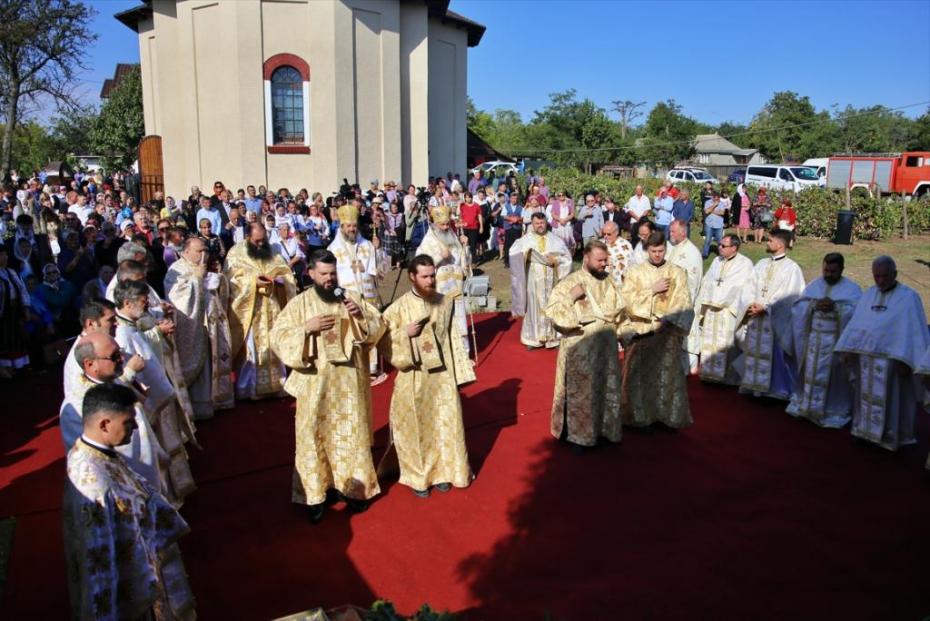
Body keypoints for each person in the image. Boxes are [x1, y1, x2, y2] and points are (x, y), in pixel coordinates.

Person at [62, 383, 195, 621]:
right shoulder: (91, 482)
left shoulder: (96, 451)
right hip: (127, 592)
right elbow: (100, 566)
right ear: (104, 424)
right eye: (128, 421)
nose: (135, 426)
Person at [269, 250, 385, 522]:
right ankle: (316, 495)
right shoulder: (300, 304)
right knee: (313, 436)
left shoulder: (351, 298)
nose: (330, 279)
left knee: (351, 435)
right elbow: (278, 337)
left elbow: (378, 326)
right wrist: (306, 328)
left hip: (349, 386)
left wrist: (360, 318)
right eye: (324, 274)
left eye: (333, 274)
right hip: (315, 386)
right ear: (310, 273)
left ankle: (354, 491)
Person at [380, 254, 474, 497]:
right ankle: (419, 476)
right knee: (416, 426)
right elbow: (383, 341)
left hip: (442, 376)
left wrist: (460, 374)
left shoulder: (445, 302)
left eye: (432, 275)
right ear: (412, 277)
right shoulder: (398, 308)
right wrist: (404, 333)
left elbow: (454, 337)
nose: (430, 280)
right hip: (414, 376)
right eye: (425, 276)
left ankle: (443, 471)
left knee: (444, 424)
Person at [113, 279, 196, 506]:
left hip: (154, 398)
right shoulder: (121, 333)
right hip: (146, 403)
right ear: (128, 303)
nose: (147, 303)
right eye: (142, 300)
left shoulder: (131, 324)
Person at [834, 256, 929, 450]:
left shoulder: (909, 297)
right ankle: (863, 431)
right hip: (866, 360)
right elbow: (857, 324)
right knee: (863, 397)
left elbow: (915, 331)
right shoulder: (869, 294)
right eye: (876, 276)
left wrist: (908, 360)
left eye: (885, 276)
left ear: (895, 274)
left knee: (892, 401)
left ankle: (890, 435)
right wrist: (848, 348)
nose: (880, 281)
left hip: (892, 362)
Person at [544, 241, 624, 450]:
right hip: (580, 348)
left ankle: (604, 429)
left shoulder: (610, 281)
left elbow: (621, 310)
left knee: (605, 388)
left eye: (606, 260)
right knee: (581, 392)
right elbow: (553, 314)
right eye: (599, 260)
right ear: (586, 258)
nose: (604, 264)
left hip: (605, 347)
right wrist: (572, 296)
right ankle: (577, 435)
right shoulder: (570, 283)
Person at [60, 332, 163, 492]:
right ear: (90, 364)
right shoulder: (76, 405)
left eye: (120, 353)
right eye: (114, 356)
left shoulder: (114, 380)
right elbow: (90, 455)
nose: (122, 359)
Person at [620, 231, 693, 429]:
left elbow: (683, 301)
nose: (658, 255)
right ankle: (638, 417)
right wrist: (651, 290)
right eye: (654, 251)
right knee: (638, 375)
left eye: (661, 251)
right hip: (641, 330)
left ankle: (665, 416)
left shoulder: (677, 272)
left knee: (666, 375)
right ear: (647, 250)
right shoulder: (635, 272)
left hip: (667, 331)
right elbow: (626, 302)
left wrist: (669, 321)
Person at [786, 253, 862, 427]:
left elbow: (858, 313)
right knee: (810, 373)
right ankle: (807, 405)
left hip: (836, 343)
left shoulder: (852, 289)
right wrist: (813, 305)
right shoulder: (815, 284)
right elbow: (799, 306)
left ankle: (832, 410)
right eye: (826, 270)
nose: (828, 274)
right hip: (813, 342)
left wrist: (836, 308)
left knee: (835, 378)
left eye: (833, 271)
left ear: (842, 269)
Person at [224, 223, 297, 400]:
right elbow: (230, 279)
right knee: (251, 348)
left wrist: (281, 280)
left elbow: (286, 272)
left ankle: (277, 384)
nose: (260, 244)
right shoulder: (236, 253)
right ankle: (249, 389)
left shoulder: (272, 251)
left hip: (271, 307)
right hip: (250, 310)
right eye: (257, 241)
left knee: (274, 344)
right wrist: (252, 282)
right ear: (248, 237)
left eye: (263, 240)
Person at [165, 237, 233, 419]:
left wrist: (218, 280)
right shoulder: (176, 269)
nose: (203, 255)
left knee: (212, 359)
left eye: (205, 251)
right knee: (199, 367)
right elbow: (176, 296)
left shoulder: (206, 266)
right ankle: (196, 408)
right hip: (192, 325)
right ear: (186, 251)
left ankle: (214, 399)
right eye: (199, 251)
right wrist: (197, 278)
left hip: (210, 323)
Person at [738, 229, 805, 400]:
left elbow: (790, 295)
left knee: (775, 355)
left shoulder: (792, 269)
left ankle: (773, 390)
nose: (767, 242)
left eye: (770, 240)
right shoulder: (761, 263)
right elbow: (749, 285)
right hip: (755, 315)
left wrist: (766, 307)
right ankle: (753, 386)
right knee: (754, 349)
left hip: (774, 320)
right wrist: (751, 303)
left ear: (780, 244)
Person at [693, 235, 755, 385]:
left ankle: (727, 377)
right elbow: (707, 281)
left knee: (725, 343)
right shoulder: (716, 261)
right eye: (719, 245)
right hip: (711, 309)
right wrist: (707, 298)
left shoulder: (745, 264)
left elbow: (740, 287)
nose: (719, 247)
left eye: (723, 246)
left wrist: (717, 297)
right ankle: (709, 373)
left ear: (734, 248)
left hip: (728, 311)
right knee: (709, 340)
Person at [509, 212, 573, 350]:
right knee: (533, 306)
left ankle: (554, 338)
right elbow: (513, 253)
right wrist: (526, 255)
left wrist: (556, 260)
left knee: (552, 304)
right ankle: (533, 338)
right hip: (533, 280)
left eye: (542, 223)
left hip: (552, 280)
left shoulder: (556, 240)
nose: (540, 226)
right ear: (532, 224)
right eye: (537, 223)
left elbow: (568, 259)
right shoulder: (525, 240)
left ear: (546, 223)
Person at [416, 204, 471, 356]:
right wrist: (439, 257)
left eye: (448, 224)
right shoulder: (428, 240)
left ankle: (463, 355)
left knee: (459, 322)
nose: (446, 227)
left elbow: (463, 260)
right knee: (442, 321)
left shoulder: (453, 236)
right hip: (439, 288)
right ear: (434, 223)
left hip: (456, 286)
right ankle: (445, 354)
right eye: (442, 224)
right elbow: (419, 263)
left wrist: (465, 246)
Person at [667, 219, 703, 373]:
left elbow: (693, 281)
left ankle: (687, 368)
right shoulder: (674, 248)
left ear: (683, 232)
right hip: (671, 301)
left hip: (684, 303)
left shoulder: (692, 252)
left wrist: (684, 303)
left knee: (686, 338)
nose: (670, 234)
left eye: (673, 231)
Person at [0, 246, 31, 377]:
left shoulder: (11, 272)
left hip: (16, 310)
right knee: (5, 340)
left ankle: (20, 366)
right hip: (3, 313)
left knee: (18, 338)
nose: (4, 257)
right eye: (1, 255)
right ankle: (7, 369)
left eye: (5, 254)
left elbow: (22, 290)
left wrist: (26, 308)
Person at [546, 191, 575, 255]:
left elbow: (572, 213)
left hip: (566, 224)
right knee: (557, 242)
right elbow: (553, 214)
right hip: (557, 225)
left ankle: (568, 256)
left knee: (567, 242)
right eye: (559, 195)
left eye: (563, 195)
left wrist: (565, 220)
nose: (561, 196)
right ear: (557, 196)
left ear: (565, 195)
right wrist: (560, 220)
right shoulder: (555, 203)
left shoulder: (569, 202)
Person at [458, 191, 483, 263]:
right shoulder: (462, 206)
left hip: (473, 228)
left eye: (469, 197)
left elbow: (479, 216)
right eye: (466, 197)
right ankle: (464, 260)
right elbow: (457, 213)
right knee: (464, 245)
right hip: (464, 228)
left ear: (471, 197)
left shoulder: (476, 205)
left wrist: (481, 226)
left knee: (473, 245)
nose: (467, 199)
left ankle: (474, 261)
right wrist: (459, 204)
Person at [702, 191, 727, 259]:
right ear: (712, 197)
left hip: (719, 225)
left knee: (720, 241)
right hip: (709, 224)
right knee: (707, 240)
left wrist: (712, 211)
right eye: (715, 198)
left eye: (718, 198)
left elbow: (722, 213)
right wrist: (714, 205)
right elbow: (706, 211)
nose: (716, 200)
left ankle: (721, 254)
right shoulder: (708, 202)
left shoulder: (722, 203)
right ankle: (705, 254)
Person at [500, 192, 523, 267]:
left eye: (515, 199)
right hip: (508, 228)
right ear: (510, 199)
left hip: (517, 228)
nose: (514, 200)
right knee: (508, 245)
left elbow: (522, 217)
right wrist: (511, 218)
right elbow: (504, 215)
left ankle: (516, 261)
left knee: (516, 245)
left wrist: (517, 219)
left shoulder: (520, 207)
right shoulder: (506, 206)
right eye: (513, 198)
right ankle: (507, 261)